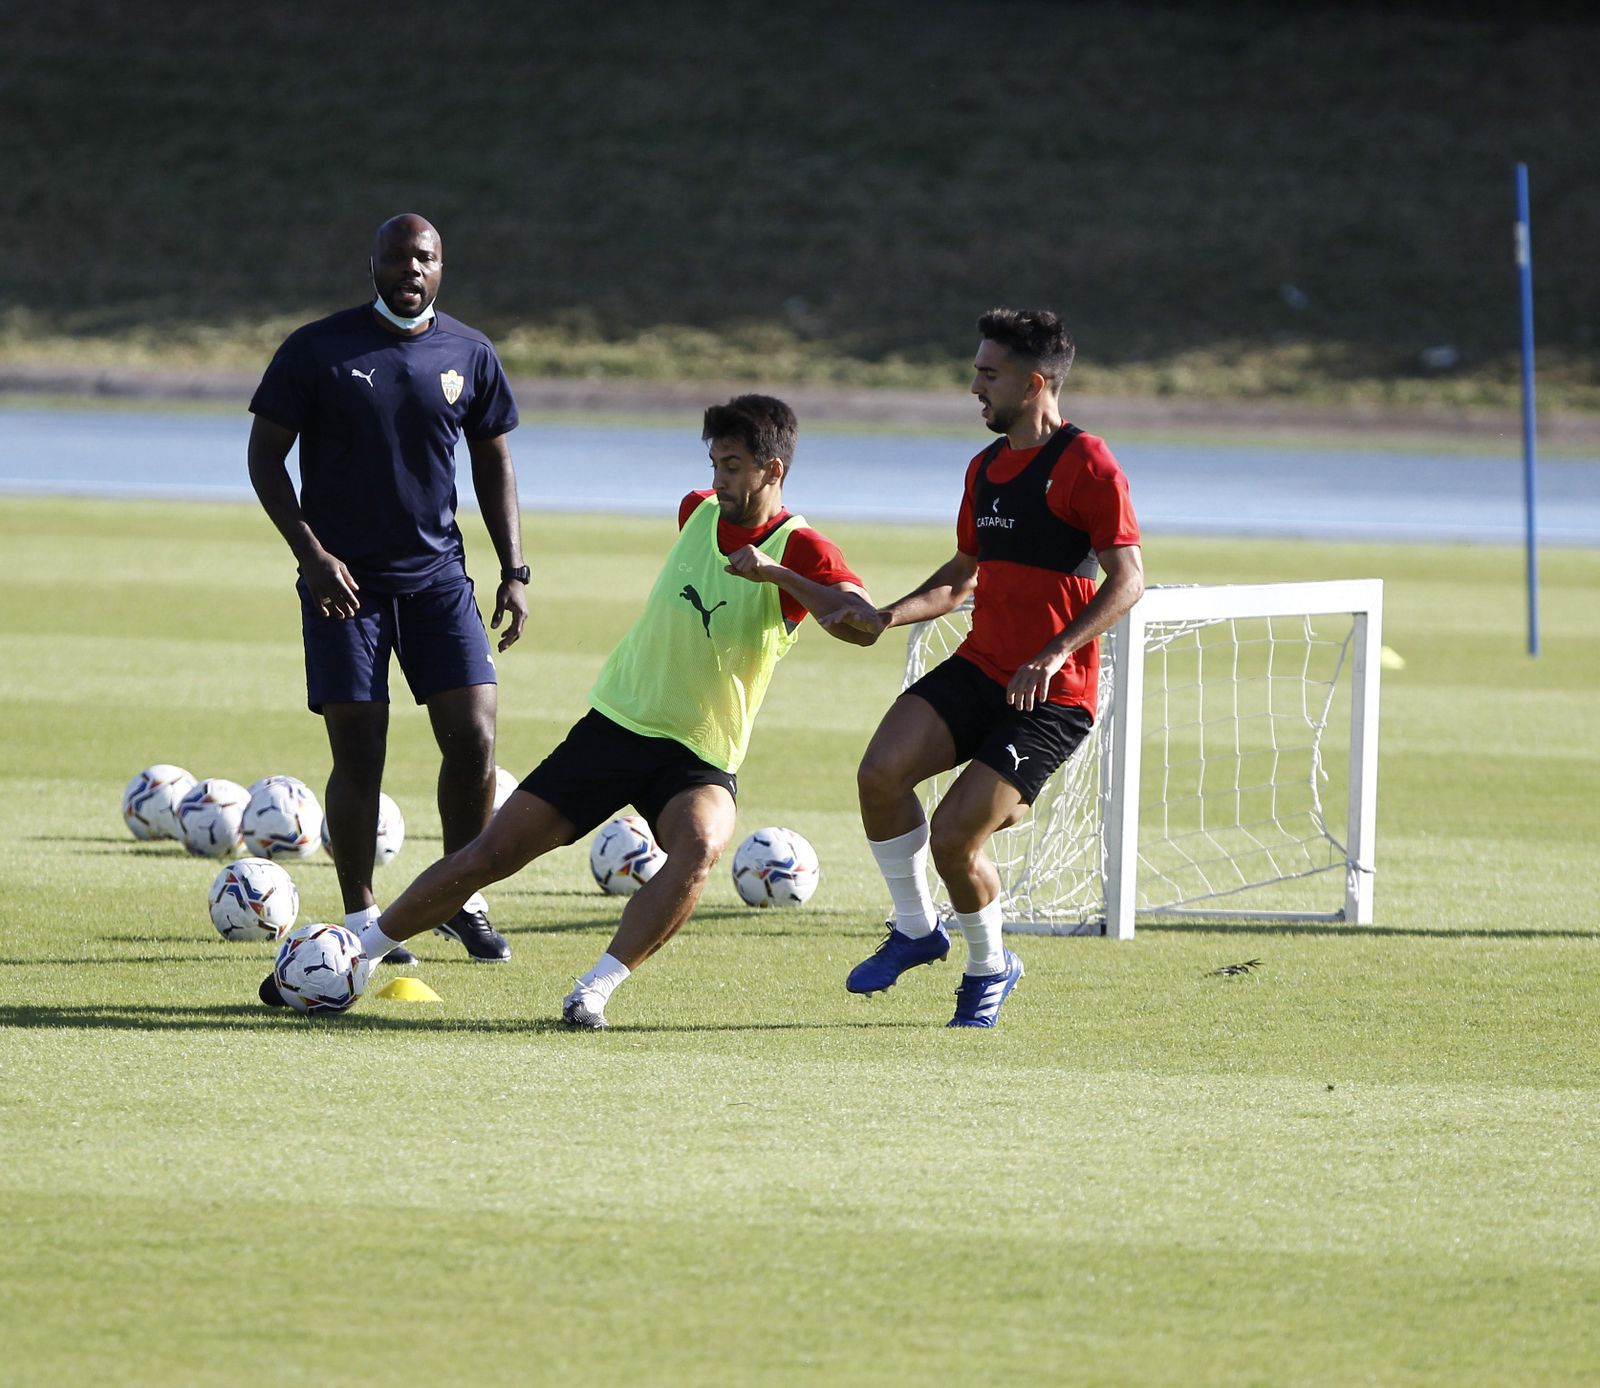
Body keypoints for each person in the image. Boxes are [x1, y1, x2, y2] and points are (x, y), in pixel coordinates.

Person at [259, 394, 879, 1027]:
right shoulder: (696, 511)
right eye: (715, 463)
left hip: (699, 754)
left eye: (734, 467)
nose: (718, 481)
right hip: (616, 728)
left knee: (699, 850)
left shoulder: (802, 547)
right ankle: (353, 957)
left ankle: (594, 990)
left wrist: (778, 576)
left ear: (774, 470)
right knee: (488, 856)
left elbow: (862, 623)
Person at [822, 308, 1144, 1027]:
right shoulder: (985, 469)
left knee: (952, 838)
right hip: (981, 665)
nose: (974, 386)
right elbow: (962, 575)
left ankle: (989, 966)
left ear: (1034, 384)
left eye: (987, 373)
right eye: (976, 370)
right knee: (879, 774)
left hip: (1054, 694)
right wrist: (885, 614)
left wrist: (1055, 650)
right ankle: (914, 930)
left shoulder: (1088, 464)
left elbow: (1128, 580)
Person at [247, 213, 528, 967]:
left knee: (474, 737)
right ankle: (361, 912)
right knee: (360, 748)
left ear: (442, 268)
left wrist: (514, 569)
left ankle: (461, 896)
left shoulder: (470, 352)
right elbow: (265, 459)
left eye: (426, 257)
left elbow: (493, 463)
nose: (413, 268)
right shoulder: (317, 349)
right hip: (345, 585)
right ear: (372, 262)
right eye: (399, 256)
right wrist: (311, 555)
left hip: (439, 582)